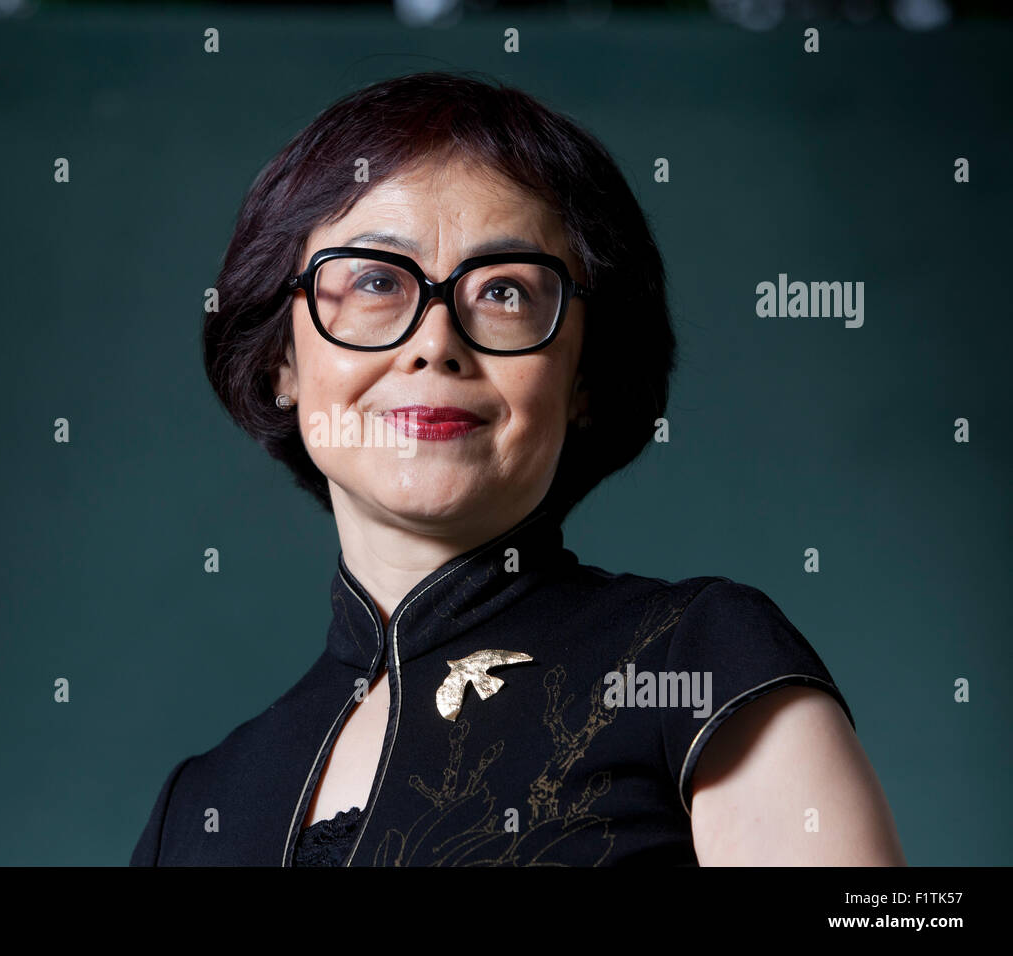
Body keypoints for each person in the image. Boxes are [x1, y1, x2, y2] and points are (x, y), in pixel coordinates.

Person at [130, 71, 906, 866]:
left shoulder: (700, 663)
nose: (435, 342)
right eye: (373, 281)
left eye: (503, 291)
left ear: (585, 379)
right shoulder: (197, 811)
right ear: (279, 365)